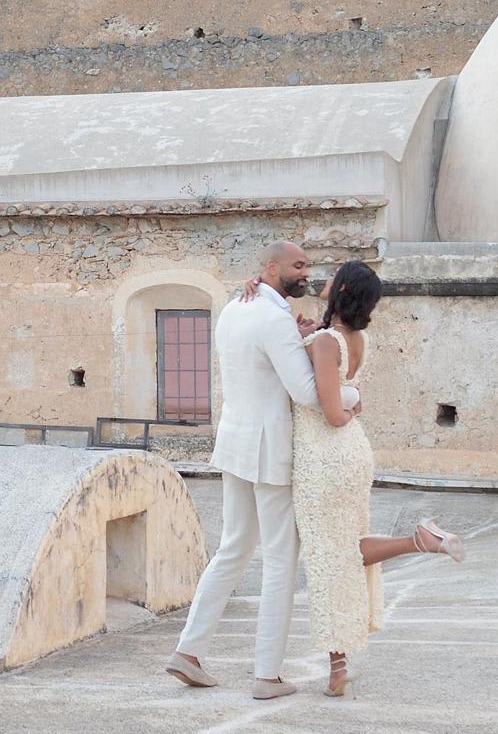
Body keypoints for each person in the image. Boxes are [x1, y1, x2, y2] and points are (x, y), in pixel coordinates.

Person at [287, 259, 464, 697]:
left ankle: (419, 540)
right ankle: (338, 667)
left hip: (326, 457)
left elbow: (333, 413)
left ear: (343, 288)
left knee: (330, 560)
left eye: (334, 276)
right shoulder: (354, 338)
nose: (326, 279)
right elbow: (350, 395)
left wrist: (346, 406)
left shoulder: (326, 341)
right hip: (352, 453)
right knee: (342, 555)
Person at [165, 240, 332, 700]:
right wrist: (351, 396)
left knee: (233, 548)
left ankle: (189, 651)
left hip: (235, 442)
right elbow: (306, 392)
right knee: (280, 559)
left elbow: (261, 367)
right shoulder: (273, 318)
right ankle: (266, 675)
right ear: (272, 268)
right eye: (298, 265)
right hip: (268, 449)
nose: (306, 272)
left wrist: (297, 336)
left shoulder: (234, 307)